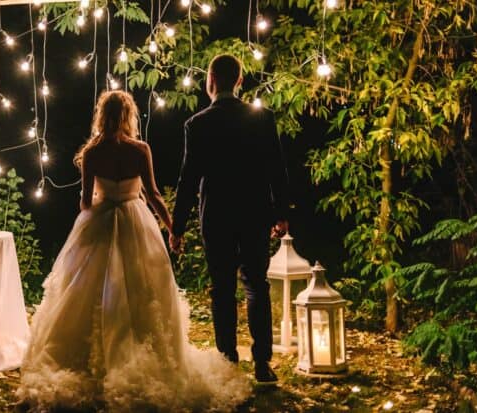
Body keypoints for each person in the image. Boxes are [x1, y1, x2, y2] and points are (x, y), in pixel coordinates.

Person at [17, 91, 249, 411]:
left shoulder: (92, 153)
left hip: (99, 220)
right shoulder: (140, 150)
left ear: (102, 114)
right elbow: (153, 194)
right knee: (142, 290)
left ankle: (91, 358)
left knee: (89, 290)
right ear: (129, 115)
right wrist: (171, 228)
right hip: (134, 219)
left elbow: (85, 200)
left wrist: (97, 204)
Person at [170, 54, 289, 383]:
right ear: (239, 81)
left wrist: (177, 228)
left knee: (222, 290)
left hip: (217, 217)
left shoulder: (197, 124)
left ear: (210, 80)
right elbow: (276, 169)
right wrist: (281, 213)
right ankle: (263, 363)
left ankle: (228, 360)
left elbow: (188, 180)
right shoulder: (262, 118)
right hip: (254, 214)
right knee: (257, 286)